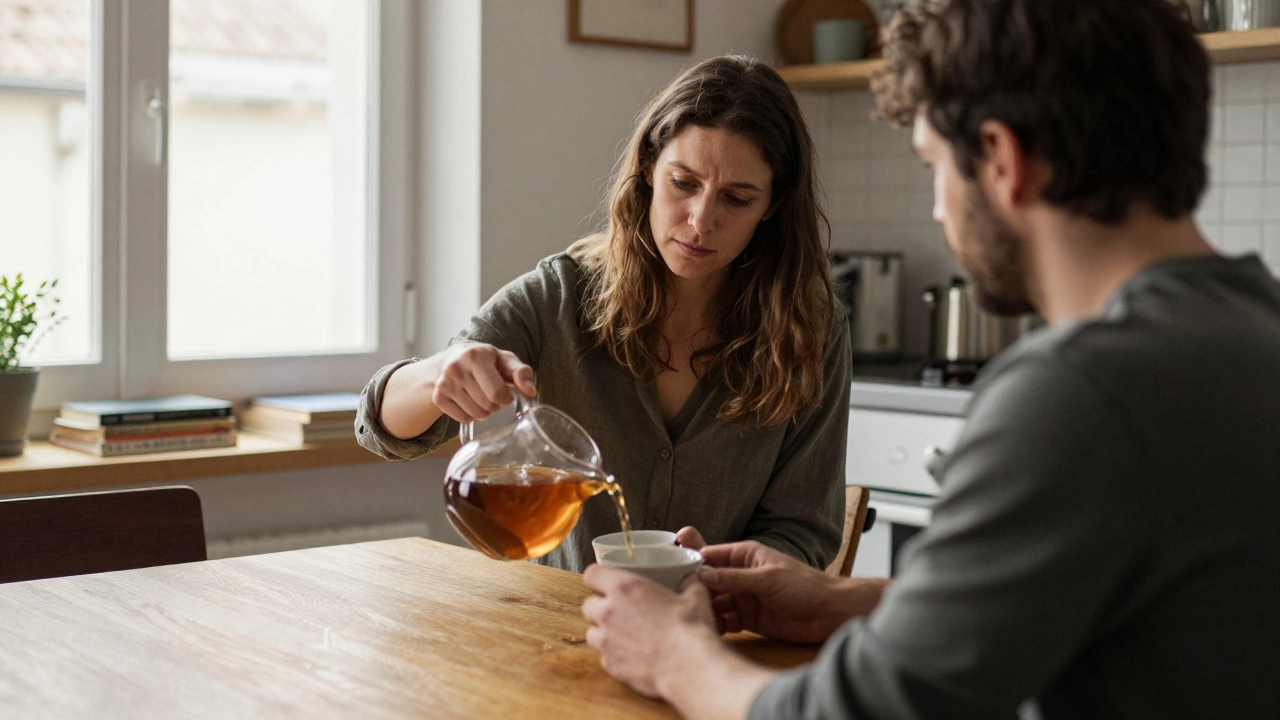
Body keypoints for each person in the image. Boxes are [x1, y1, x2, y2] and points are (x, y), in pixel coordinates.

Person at [580, 1, 1280, 718]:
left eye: (933, 164)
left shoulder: (1081, 395)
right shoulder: (1255, 328)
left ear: (1002, 162)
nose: (940, 210)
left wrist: (674, 655)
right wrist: (841, 603)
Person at [356, 55, 851, 574]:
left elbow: (803, 532)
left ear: (773, 205)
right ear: (648, 171)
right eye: (683, 183)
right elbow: (381, 427)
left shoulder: (813, 330)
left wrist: (723, 573)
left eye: (737, 198)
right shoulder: (561, 295)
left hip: (715, 639)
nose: (701, 221)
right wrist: (442, 372)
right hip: (552, 634)